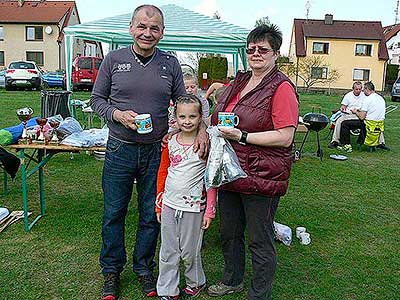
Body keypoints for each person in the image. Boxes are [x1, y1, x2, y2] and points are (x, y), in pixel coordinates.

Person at [90, 5, 206, 300]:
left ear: (162, 32)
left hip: (156, 151)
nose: (147, 33)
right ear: (131, 28)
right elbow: (96, 100)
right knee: (113, 212)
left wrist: (202, 128)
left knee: (150, 213)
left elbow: (187, 102)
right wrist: (118, 115)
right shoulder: (113, 59)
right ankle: (111, 271)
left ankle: (144, 269)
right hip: (119, 148)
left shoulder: (170, 63)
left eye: (154, 28)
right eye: (142, 26)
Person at [207, 24, 299, 300]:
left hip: (261, 174)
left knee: (259, 238)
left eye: (263, 49)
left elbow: (285, 137)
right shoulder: (241, 81)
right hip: (230, 169)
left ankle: (259, 293)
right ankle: (232, 280)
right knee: (229, 232)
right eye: (251, 49)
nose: (256, 53)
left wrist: (242, 135)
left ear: (275, 53)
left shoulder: (281, 87)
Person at [155, 95, 217, 300]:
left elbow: (211, 179)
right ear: (176, 118)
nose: (187, 121)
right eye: (182, 116)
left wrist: (210, 209)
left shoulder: (205, 144)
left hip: (194, 208)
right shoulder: (170, 141)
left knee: (190, 251)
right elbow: (163, 171)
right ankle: (167, 290)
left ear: (200, 118)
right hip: (169, 205)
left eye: (192, 116)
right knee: (168, 250)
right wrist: (159, 202)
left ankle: (196, 281)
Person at [339, 81, 389, 152]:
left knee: (344, 123)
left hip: (368, 124)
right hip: (379, 123)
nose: (362, 91)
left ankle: (346, 145)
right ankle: (380, 143)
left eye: (363, 89)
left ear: (366, 89)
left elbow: (362, 117)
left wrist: (356, 111)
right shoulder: (381, 98)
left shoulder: (367, 99)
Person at [328, 81, 365, 149]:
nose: (358, 91)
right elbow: (343, 106)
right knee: (339, 120)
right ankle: (335, 141)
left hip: (360, 113)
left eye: (360, 89)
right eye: (356, 89)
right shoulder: (348, 95)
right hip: (349, 114)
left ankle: (381, 143)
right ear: (353, 89)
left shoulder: (364, 95)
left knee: (373, 120)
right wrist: (343, 108)